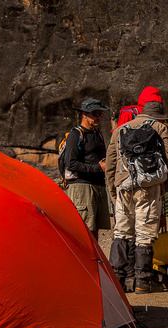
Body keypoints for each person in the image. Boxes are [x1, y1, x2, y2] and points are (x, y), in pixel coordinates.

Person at [106, 100, 168, 294]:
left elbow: (111, 160)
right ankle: (142, 282)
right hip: (148, 187)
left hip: (124, 185)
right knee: (144, 234)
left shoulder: (121, 129)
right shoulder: (160, 128)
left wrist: (113, 187)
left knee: (122, 232)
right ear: (158, 117)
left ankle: (117, 280)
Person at [64, 98, 110, 241]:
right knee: (85, 231)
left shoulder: (98, 134)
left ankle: (94, 262)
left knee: (95, 230)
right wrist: (98, 167)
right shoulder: (75, 135)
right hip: (82, 187)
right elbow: (71, 163)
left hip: (98, 186)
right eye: (95, 113)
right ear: (84, 114)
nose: (99, 117)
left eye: (101, 114)